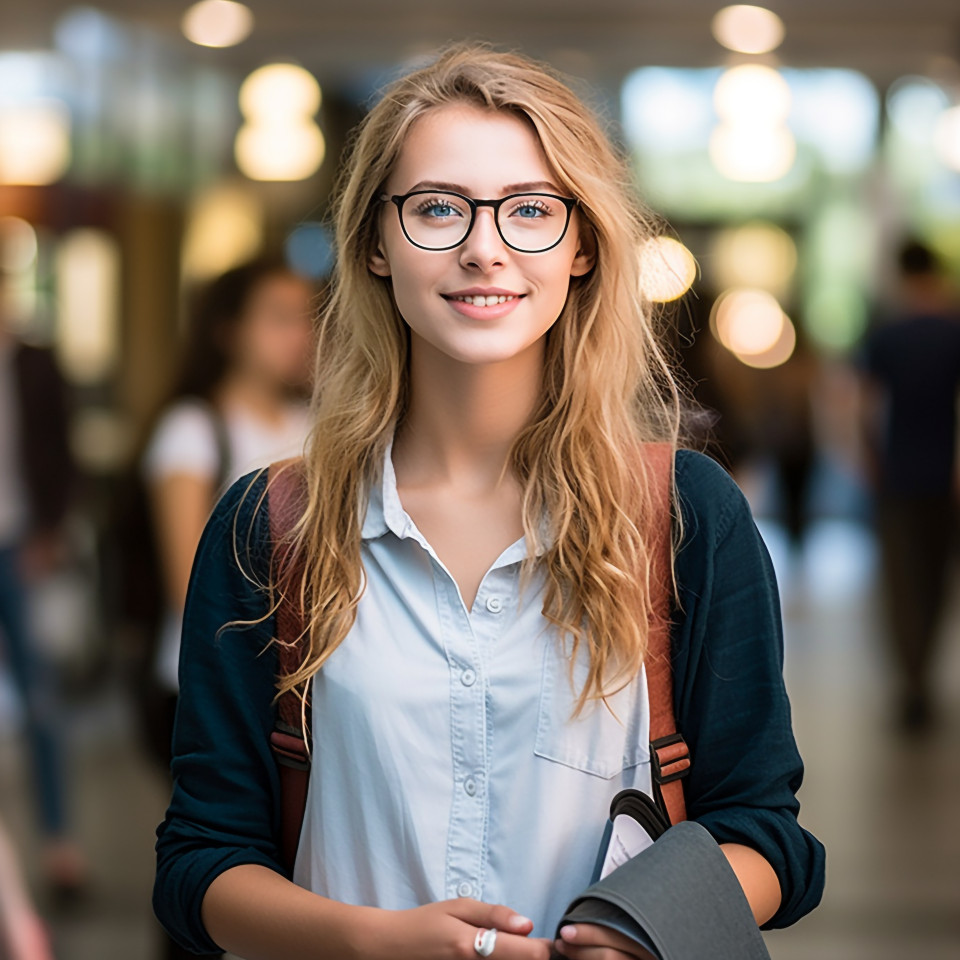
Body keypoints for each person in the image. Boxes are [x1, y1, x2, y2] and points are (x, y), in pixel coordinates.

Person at [154, 45, 824, 959]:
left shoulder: (684, 516)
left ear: (583, 244)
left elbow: (770, 836)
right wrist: (369, 940)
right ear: (376, 246)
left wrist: (639, 929)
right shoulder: (269, 529)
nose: (484, 246)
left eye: (532, 210)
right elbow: (200, 861)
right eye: (437, 207)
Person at [0, 285, 88, 901]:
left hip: (18, 546)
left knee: (41, 700)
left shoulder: (33, 361)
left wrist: (51, 532)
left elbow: (61, 448)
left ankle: (60, 845)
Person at [858, 239, 960, 732]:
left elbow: (863, 408)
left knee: (901, 585)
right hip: (946, 479)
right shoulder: (953, 331)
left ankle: (912, 679)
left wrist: (869, 462)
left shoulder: (887, 335)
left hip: (897, 477)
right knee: (937, 582)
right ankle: (926, 677)